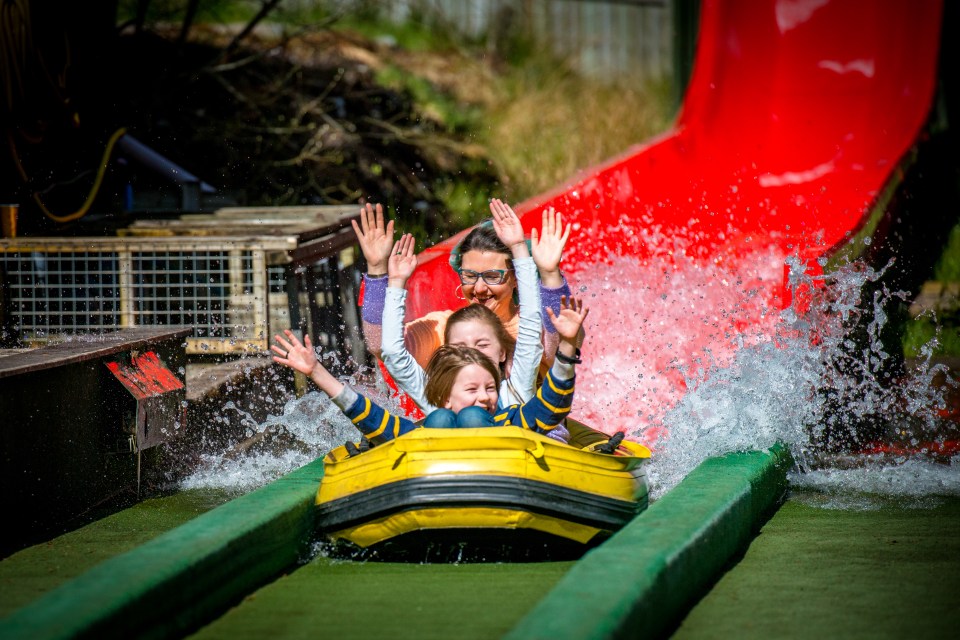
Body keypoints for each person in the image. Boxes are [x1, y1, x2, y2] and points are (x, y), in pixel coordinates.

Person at [270, 296, 589, 441]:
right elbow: (371, 417)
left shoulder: (510, 421)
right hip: (434, 476)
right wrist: (316, 372)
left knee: (473, 419)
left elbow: (551, 404)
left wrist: (567, 345)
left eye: (490, 388)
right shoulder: (428, 428)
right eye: (472, 389)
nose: (485, 397)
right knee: (440, 420)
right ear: (446, 395)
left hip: (509, 472)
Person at [352, 199, 574, 376]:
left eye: (491, 276)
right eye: (469, 276)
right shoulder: (443, 327)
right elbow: (381, 346)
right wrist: (377, 269)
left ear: (516, 278)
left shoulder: (532, 326)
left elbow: (561, 345)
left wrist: (549, 273)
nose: (478, 288)